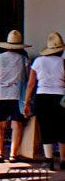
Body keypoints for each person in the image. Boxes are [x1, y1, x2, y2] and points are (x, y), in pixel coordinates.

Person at [23, 32, 65, 171]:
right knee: (61, 129)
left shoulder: (38, 62)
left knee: (45, 128)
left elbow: (31, 83)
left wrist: (26, 101)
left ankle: (49, 160)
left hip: (42, 97)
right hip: (60, 97)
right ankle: (64, 160)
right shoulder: (63, 62)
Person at [0, 29, 30, 162]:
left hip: (0, 93)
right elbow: (28, 77)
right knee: (16, 125)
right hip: (16, 94)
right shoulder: (23, 59)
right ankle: (13, 154)